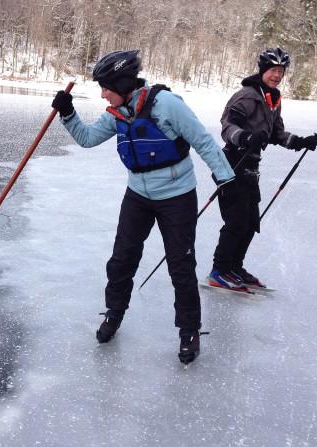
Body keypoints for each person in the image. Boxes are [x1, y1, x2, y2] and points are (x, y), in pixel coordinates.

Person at [51, 50, 235, 364]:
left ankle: (189, 330)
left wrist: (224, 178)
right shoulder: (117, 112)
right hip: (137, 195)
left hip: (177, 195)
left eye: (106, 86)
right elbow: (88, 138)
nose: (102, 93)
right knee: (122, 259)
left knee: (180, 266)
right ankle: (114, 313)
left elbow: (203, 140)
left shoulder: (167, 105)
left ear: (122, 83)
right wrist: (68, 114)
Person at [208, 47, 317, 291]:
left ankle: (235, 267)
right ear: (263, 71)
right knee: (236, 221)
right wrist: (246, 138)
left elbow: (276, 134)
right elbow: (227, 126)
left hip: (250, 167)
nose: (277, 75)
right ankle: (219, 270)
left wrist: (301, 142)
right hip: (231, 163)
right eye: (273, 70)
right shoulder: (247, 96)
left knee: (250, 222)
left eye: (281, 71)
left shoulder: (273, 99)